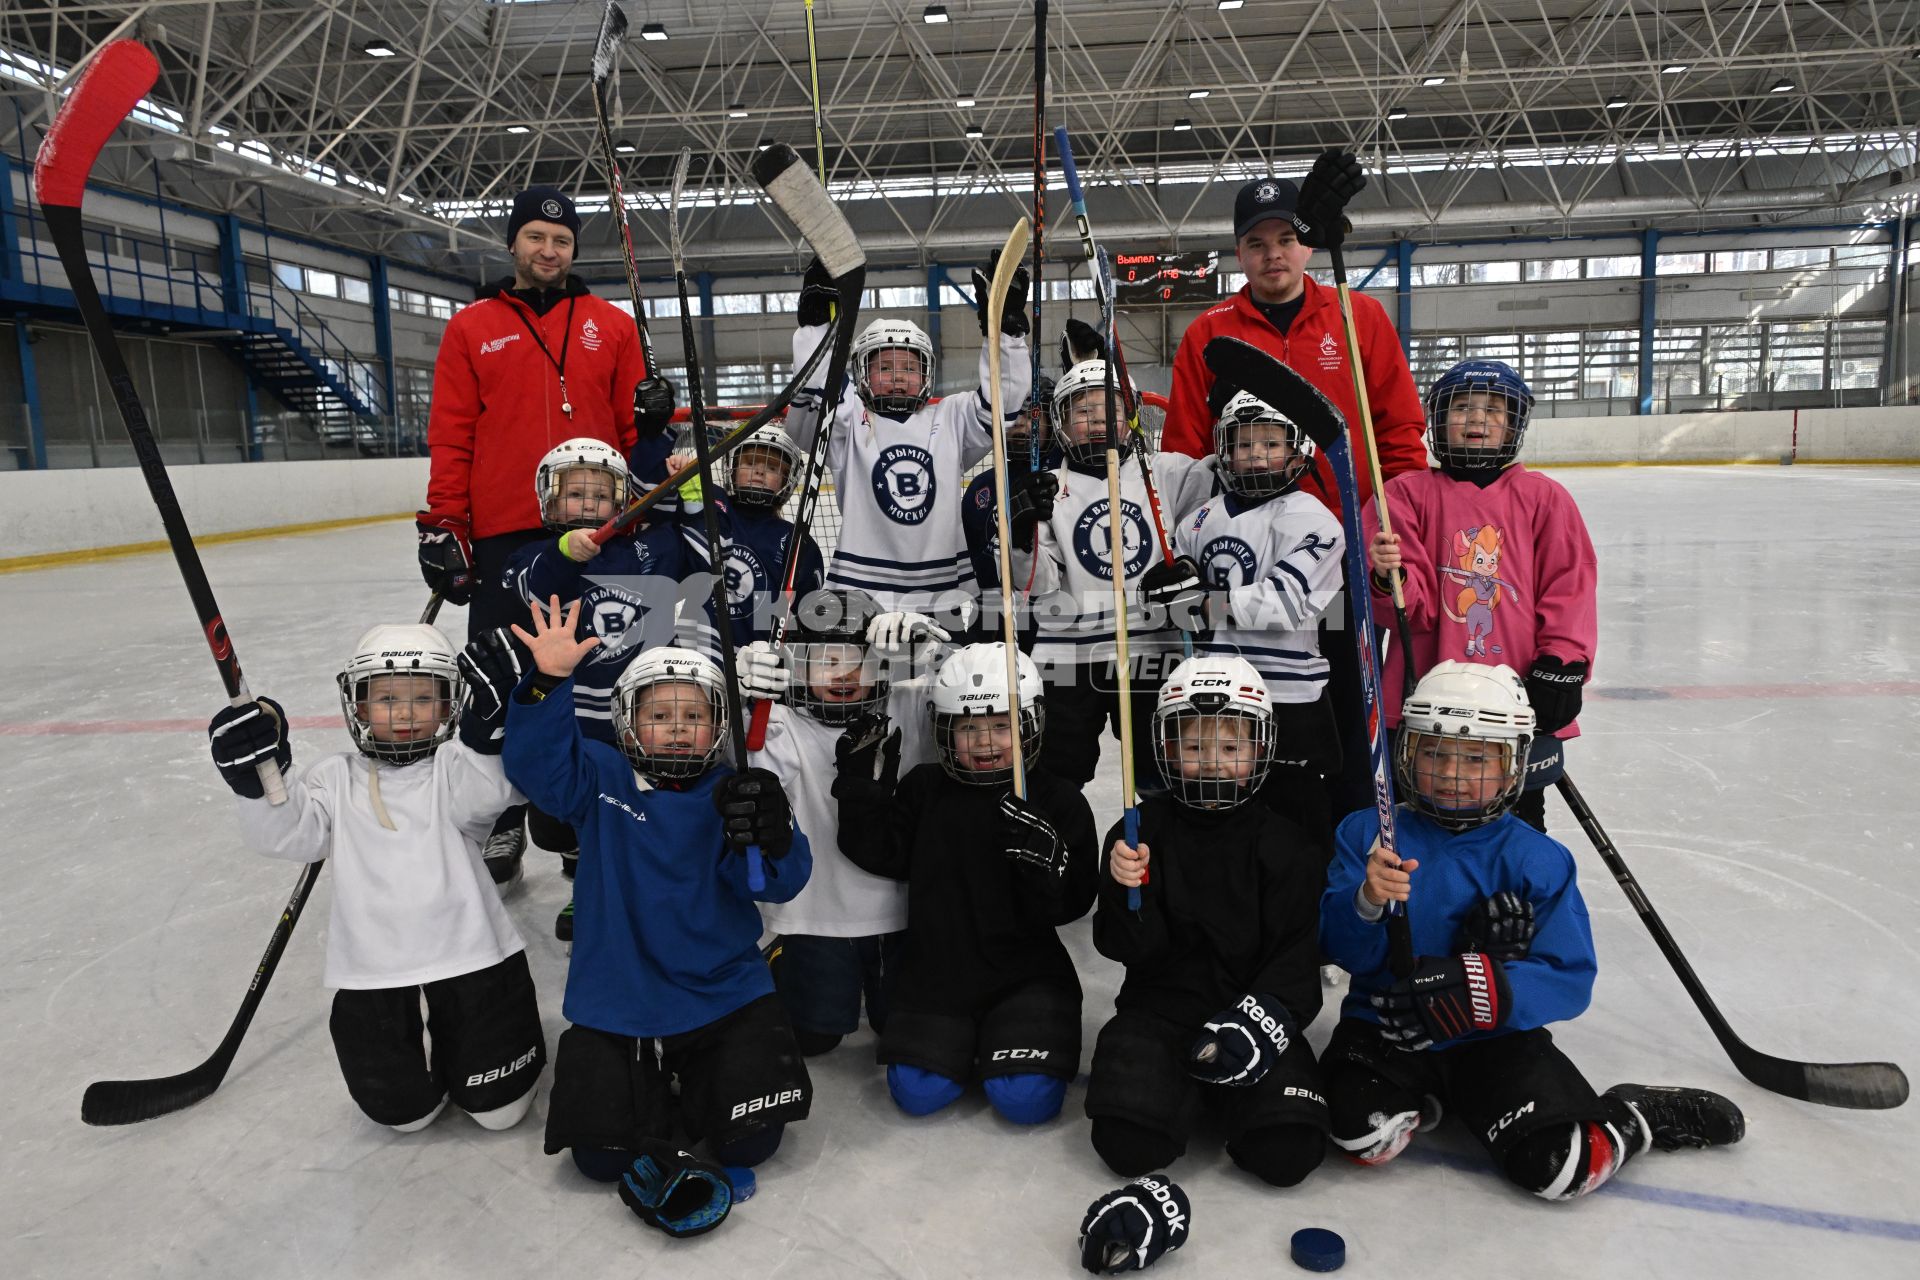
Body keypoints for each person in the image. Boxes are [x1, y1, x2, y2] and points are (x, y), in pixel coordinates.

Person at [1318, 662, 1744, 1201]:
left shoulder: (1538, 859)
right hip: (1384, 1029)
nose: (1452, 772)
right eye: (1435, 752)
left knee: (1565, 1167)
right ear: (1407, 753)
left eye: (1476, 758)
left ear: (1514, 765)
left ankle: (1633, 1113)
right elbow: (1337, 947)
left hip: (1493, 1042)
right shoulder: (1369, 834)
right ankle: (1438, 1097)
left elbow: (1569, 977)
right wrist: (1366, 900)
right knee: (1361, 1135)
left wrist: (1485, 990)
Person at [493, 600, 815, 1184]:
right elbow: (537, 766)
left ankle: (694, 1087)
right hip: (619, 1000)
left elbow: (776, 884)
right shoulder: (600, 777)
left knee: (750, 1145)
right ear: (626, 721)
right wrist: (547, 683)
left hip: (724, 996)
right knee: (602, 1159)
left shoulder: (734, 791)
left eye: (694, 715)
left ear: (719, 726)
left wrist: (772, 833)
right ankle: (648, 1088)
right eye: (659, 714)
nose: (677, 727)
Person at [417, 184, 676, 880]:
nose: (549, 251)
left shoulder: (612, 326)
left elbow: (633, 434)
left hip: (597, 530)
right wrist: (445, 524)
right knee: (499, 676)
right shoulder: (471, 327)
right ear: (513, 243)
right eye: (536, 237)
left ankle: (574, 819)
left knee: (588, 677)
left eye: (561, 241)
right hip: (507, 532)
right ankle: (499, 819)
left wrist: (654, 425)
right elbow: (452, 434)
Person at [1159, 174, 1428, 823]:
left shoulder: (1356, 317)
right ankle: (1249, 831)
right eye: (1256, 242)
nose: (1272, 253)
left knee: (1342, 700)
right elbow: (1185, 453)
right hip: (1241, 559)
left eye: (1286, 238)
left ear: (1308, 247)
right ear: (1238, 252)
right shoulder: (1211, 333)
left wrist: (1393, 531)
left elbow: (1396, 430)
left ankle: (1350, 835)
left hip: (1343, 559)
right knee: (1251, 698)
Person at [204, 623, 544, 1134]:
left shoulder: (455, 765)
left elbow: (485, 798)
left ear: (451, 701)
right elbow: (290, 835)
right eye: (386, 697)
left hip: (476, 961)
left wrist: (487, 728)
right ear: (358, 705)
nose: (405, 712)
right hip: (372, 977)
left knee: (501, 1109)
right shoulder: (333, 778)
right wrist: (256, 780)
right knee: (402, 1115)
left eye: (425, 696)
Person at [1087, 655, 1330, 1188]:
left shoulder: (1287, 845)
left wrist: (1254, 1026)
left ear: (1259, 749)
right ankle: (1185, 1092)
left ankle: (1221, 1094)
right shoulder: (1137, 832)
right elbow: (1126, 947)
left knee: (1288, 1151)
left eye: (1231, 747)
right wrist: (1127, 891)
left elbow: (1296, 960)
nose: (1214, 763)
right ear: (1167, 749)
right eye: (1195, 747)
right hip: (1158, 1012)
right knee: (1126, 1144)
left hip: (1251, 1009)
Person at [833, 642, 1098, 1125]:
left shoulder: (1059, 800)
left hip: (1029, 975)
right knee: (918, 1094)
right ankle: (969, 1043)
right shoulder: (923, 788)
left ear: (1030, 723)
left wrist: (1051, 867)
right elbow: (882, 854)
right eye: (968, 727)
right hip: (936, 975)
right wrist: (858, 796)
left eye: (1001, 725)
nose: (984, 742)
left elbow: (1075, 903)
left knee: (1024, 1101)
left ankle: (1001, 1042)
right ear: (944, 728)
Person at [503, 437, 726, 938]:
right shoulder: (531, 556)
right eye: (574, 494)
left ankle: (647, 892)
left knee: (642, 814)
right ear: (548, 500)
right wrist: (566, 551)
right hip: (576, 724)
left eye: (600, 496)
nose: (588, 505)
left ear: (623, 500)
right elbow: (535, 584)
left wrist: (693, 494)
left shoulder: (650, 546)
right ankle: (588, 884)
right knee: (566, 820)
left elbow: (710, 559)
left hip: (641, 718)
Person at [1365, 360, 1596, 830]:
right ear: (1437, 421)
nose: (1476, 419)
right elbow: (1415, 614)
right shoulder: (1402, 496)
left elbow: (1570, 585)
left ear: (1514, 424)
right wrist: (1389, 579)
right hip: (1424, 697)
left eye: (1494, 410)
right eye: (1462, 408)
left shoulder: (1546, 498)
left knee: (1520, 825)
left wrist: (1562, 666)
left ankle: (1519, 902)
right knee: (1420, 827)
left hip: (1516, 697)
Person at [744, 587, 942, 1057]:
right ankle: (780, 955)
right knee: (813, 1037)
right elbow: (741, 766)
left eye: (860, 659)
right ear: (795, 665)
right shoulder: (779, 722)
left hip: (904, 916)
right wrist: (740, 694)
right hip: (814, 917)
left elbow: (983, 704)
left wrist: (934, 654)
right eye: (824, 660)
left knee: (899, 1029)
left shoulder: (911, 704)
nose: (844, 674)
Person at [1142, 391, 1345, 848]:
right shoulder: (1197, 521)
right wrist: (1162, 594)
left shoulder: (1317, 521)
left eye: (1270, 443)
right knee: (1216, 819)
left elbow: (1284, 604)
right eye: (1242, 443)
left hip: (1290, 697)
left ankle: (1301, 911)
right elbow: (1165, 609)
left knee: (1297, 825)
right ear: (1224, 449)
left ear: (1298, 449)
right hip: (1213, 694)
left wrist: (1204, 602)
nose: (1255, 454)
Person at [785, 254, 1031, 624]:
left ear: (927, 372)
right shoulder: (851, 420)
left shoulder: (949, 418)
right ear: (862, 372)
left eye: (910, 367)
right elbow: (819, 390)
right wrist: (816, 329)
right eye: (884, 367)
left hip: (941, 592)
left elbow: (1002, 402)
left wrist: (1005, 334)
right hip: (859, 592)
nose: (898, 377)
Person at [1019, 359, 1218, 795]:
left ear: (1130, 417)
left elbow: (1213, 512)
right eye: (1083, 412)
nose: (1096, 422)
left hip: (1152, 650)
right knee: (1056, 777)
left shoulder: (1167, 472)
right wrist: (1021, 535)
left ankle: (1155, 859)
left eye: (1108, 410)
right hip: (1069, 659)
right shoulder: (1048, 488)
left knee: (1162, 775)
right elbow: (1039, 585)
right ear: (1061, 422)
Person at [960, 375, 1060, 649]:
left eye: (1031, 417)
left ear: (1055, 421)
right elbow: (981, 574)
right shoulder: (981, 489)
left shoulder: (1069, 474)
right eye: (1013, 417)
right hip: (999, 623)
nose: (1020, 426)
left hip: (1061, 622)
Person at [712, 422, 824, 645]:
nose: (760, 471)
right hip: (705, 661)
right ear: (731, 468)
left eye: (772, 468)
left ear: (787, 479)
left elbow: (808, 620)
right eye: (749, 462)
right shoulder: (710, 516)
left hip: (763, 668)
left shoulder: (797, 542)